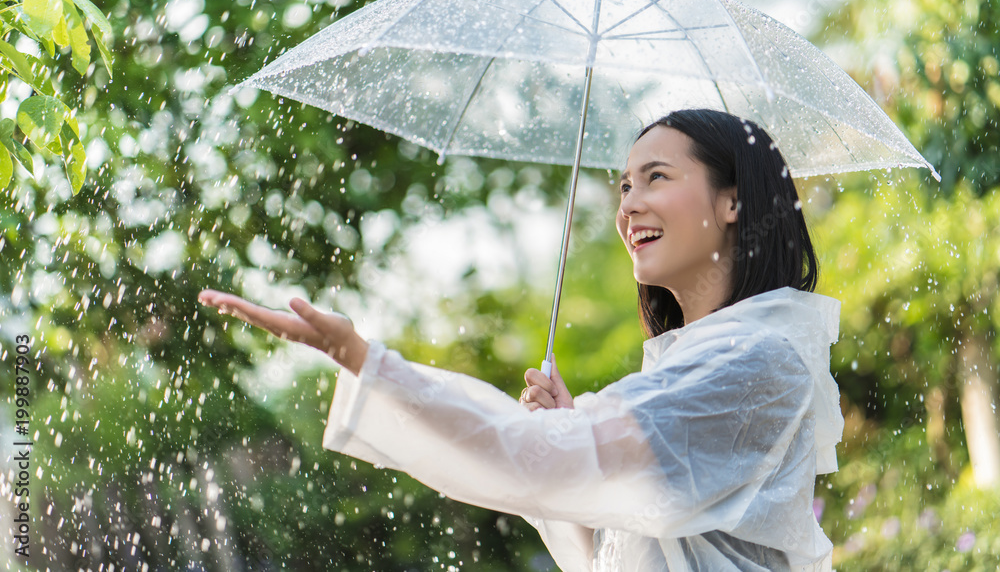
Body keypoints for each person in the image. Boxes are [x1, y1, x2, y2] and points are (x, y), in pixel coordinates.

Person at [199, 108, 843, 572]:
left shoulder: (755, 361)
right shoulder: (697, 363)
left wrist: (366, 361)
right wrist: (571, 438)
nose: (627, 205)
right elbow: (616, 557)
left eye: (656, 178)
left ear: (732, 202)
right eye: (623, 185)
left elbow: (522, 454)